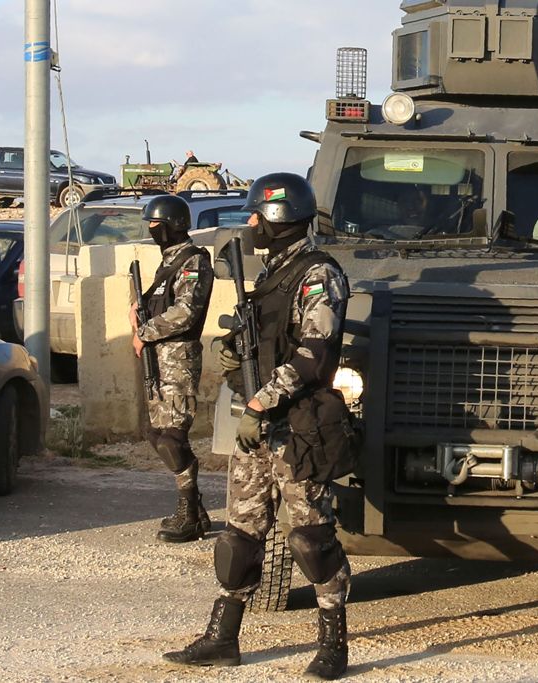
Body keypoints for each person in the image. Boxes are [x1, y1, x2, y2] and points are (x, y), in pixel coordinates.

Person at [163, 172, 353, 680]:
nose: (249, 223)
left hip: (298, 426)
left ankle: (334, 643)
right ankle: (223, 638)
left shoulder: (318, 275)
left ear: (278, 217)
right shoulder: (271, 274)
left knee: (311, 538)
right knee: (241, 534)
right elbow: (264, 345)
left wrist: (258, 403)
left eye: (255, 214)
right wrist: (233, 355)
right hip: (260, 429)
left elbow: (314, 357)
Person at [128, 194, 214, 543]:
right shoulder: (167, 263)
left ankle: (189, 514)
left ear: (172, 225)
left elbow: (185, 312)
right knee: (156, 433)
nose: (151, 229)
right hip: (158, 361)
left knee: (173, 438)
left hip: (177, 360)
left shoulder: (193, 261)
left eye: (155, 224)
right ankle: (194, 506)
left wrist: (144, 332)